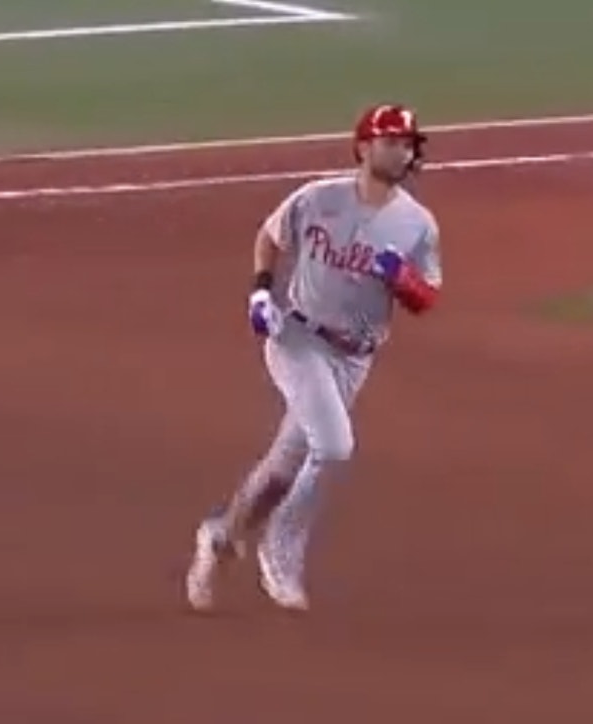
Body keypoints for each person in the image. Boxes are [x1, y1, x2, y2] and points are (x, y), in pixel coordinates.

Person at [185, 104, 443, 613]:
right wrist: (261, 293)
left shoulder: (417, 224)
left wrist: (404, 282)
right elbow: (269, 237)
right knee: (335, 446)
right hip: (297, 340)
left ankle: (219, 536)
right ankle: (281, 547)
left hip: (353, 359)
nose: (401, 150)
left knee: (284, 466)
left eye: (407, 142)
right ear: (364, 147)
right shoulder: (319, 198)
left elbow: (427, 298)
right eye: (390, 140)